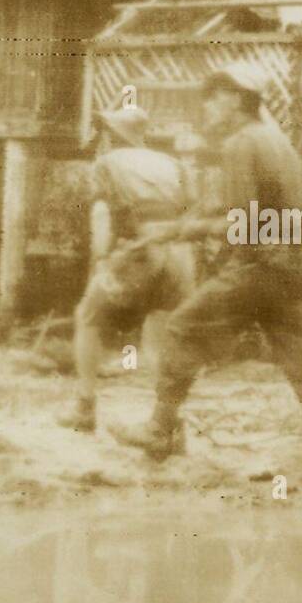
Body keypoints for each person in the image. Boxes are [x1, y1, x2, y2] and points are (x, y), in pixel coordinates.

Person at [110, 62, 302, 496]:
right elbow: (293, 205)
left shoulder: (240, 143)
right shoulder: (279, 143)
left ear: (236, 99)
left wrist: (193, 236)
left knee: (180, 329)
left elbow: (244, 224)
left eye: (213, 97)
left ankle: (160, 432)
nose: (207, 107)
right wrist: (182, 229)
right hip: (294, 270)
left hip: (258, 270)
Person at [61, 106, 195, 434]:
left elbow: (103, 214)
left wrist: (101, 261)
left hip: (140, 249)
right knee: (160, 335)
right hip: (180, 252)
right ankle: (167, 424)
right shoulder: (173, 163)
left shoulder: (107, 163)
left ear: (112, 134)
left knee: (88, 317)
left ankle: (84, 407)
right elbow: (193, 210)